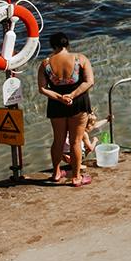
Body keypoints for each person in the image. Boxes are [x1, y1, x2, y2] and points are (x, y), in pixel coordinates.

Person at [39, 34, 95, 185]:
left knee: (58, 141)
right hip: (78, 103)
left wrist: (60, 97)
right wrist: (72, 94)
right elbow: (89, 82)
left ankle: (56, 173)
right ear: (67, 44)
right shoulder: (80, 59)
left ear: (52, 46)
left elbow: (42, 89)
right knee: (76, 141)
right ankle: (76, 177)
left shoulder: (45, 64)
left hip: (56, 105)